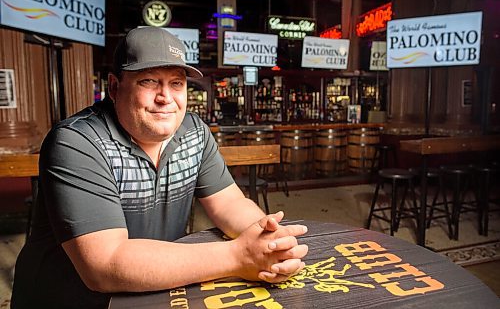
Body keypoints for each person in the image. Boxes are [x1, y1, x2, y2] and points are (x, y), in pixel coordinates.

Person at [11, 26, 308, 308]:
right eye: (149, 81)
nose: (166, 98)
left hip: (149, 291)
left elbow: (229, 202)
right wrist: (239, 256)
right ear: (114, 87)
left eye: (176, 83)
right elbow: (105, 264)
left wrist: (268, 242)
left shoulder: (193, 132)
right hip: (68, 301)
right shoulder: (77, 141)